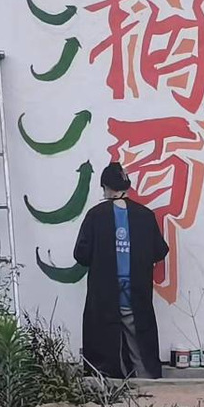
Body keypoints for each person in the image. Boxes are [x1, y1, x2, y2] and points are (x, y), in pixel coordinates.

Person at [74, 162, 169, 379]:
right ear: (127, 186)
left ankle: (107, 384)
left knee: (104, 344)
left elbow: (81, 255)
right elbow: (159, 251)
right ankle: (146, 382)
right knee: (139, 345)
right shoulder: (145, 215)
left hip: (104, 295)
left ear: (106, 187)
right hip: (136, 293)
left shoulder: (95, 215)